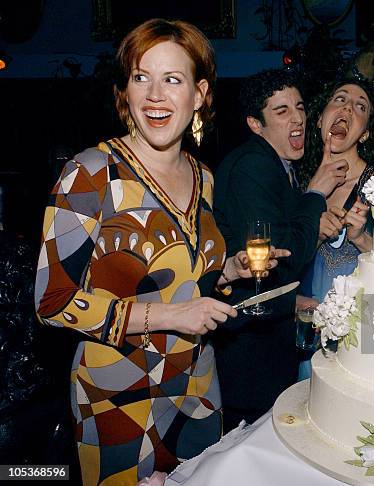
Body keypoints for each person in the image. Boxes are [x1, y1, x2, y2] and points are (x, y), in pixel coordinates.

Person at [34, 19, 288, 485]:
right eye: (140, 77)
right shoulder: (90, 175)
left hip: (198, 388)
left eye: (172, 79)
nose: (154, 94)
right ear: (125, 92)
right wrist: (172, 317)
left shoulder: (204, 177)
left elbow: (189, 279)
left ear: (199, 94)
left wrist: (229, 269)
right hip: (118, 395)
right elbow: (53, 304)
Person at [212, 68, 348, 431]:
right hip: (250, 350)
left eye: (300, 107)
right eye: (281, 110)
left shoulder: (278, 165)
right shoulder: (253, 165)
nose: (298, 118)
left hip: (270, 336)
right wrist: (316, 193)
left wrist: (295, 302)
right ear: (256, 124)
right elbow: (277, 256)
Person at [297, 80, 374, 304]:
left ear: (364, 133)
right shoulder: (297, 183)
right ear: (319, 120)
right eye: (340, 99)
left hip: (357, 325)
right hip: (300, 322)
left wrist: (361, 239)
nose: (347, 107)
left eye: (360, 106)